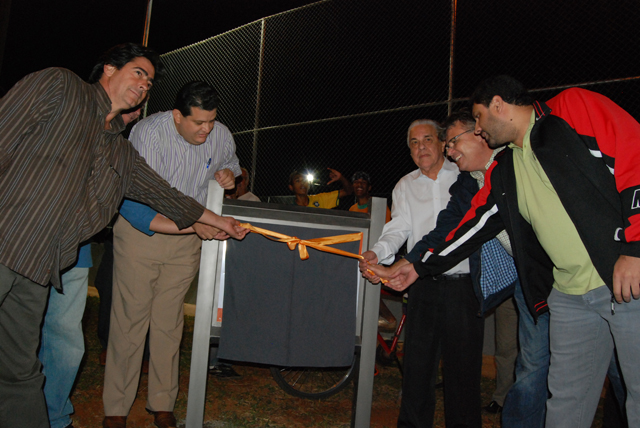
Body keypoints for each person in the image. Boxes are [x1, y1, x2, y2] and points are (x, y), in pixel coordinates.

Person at [0, 43, 247, 428]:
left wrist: (216, 220)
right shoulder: (61, 87)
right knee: (120, 327)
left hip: (40, 264)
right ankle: (115, 409)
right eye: (138, 73)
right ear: (110, 70)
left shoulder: (116, 145)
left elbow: (158, 190)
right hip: (8, 240)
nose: (144, 84)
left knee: (19, 370)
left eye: (149, 81)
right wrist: (202, 221)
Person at [386, 75, 640, 428]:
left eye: (477, 118)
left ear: (498, 105)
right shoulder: (507, 169)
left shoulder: (572, 109)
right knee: (565, 400)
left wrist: (635, 247)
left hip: (623, 279)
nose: (478, 129)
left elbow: (635, 153)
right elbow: (470, 227)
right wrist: (416, 266)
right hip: (567, 294)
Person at [103, 80, 241, 428]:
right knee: (130, 320)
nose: (206, 129)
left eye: (211, 121)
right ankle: (116, 409)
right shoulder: (148, 133)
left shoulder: (220, 133)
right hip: (142, 232)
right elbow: (136, 202)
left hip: (189, 239)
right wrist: (195, 223)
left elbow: (237, 172)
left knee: (168, 321)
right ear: (178, 115)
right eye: (198, 122)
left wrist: (230, 176)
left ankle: (162, 404)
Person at [359, 119, 483, 428]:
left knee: (463, 371)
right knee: (417, 368)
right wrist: (378, 253)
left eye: (428, 139)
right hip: (423, 285)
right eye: (414, 143)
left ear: (444, 143)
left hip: (464, 285)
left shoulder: (467, 175)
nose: (421, 147)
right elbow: (398, 229)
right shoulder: (405, 185)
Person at [38, 105, 146, 428]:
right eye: (131, 100)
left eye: (141, 105)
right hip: (28, 246)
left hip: (74, 255)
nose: (137, 110)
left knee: (66, 345)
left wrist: (195, 219)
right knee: (20, 340)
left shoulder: (119, 151)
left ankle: (55, 416)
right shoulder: (64, 126)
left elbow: (130, 197)